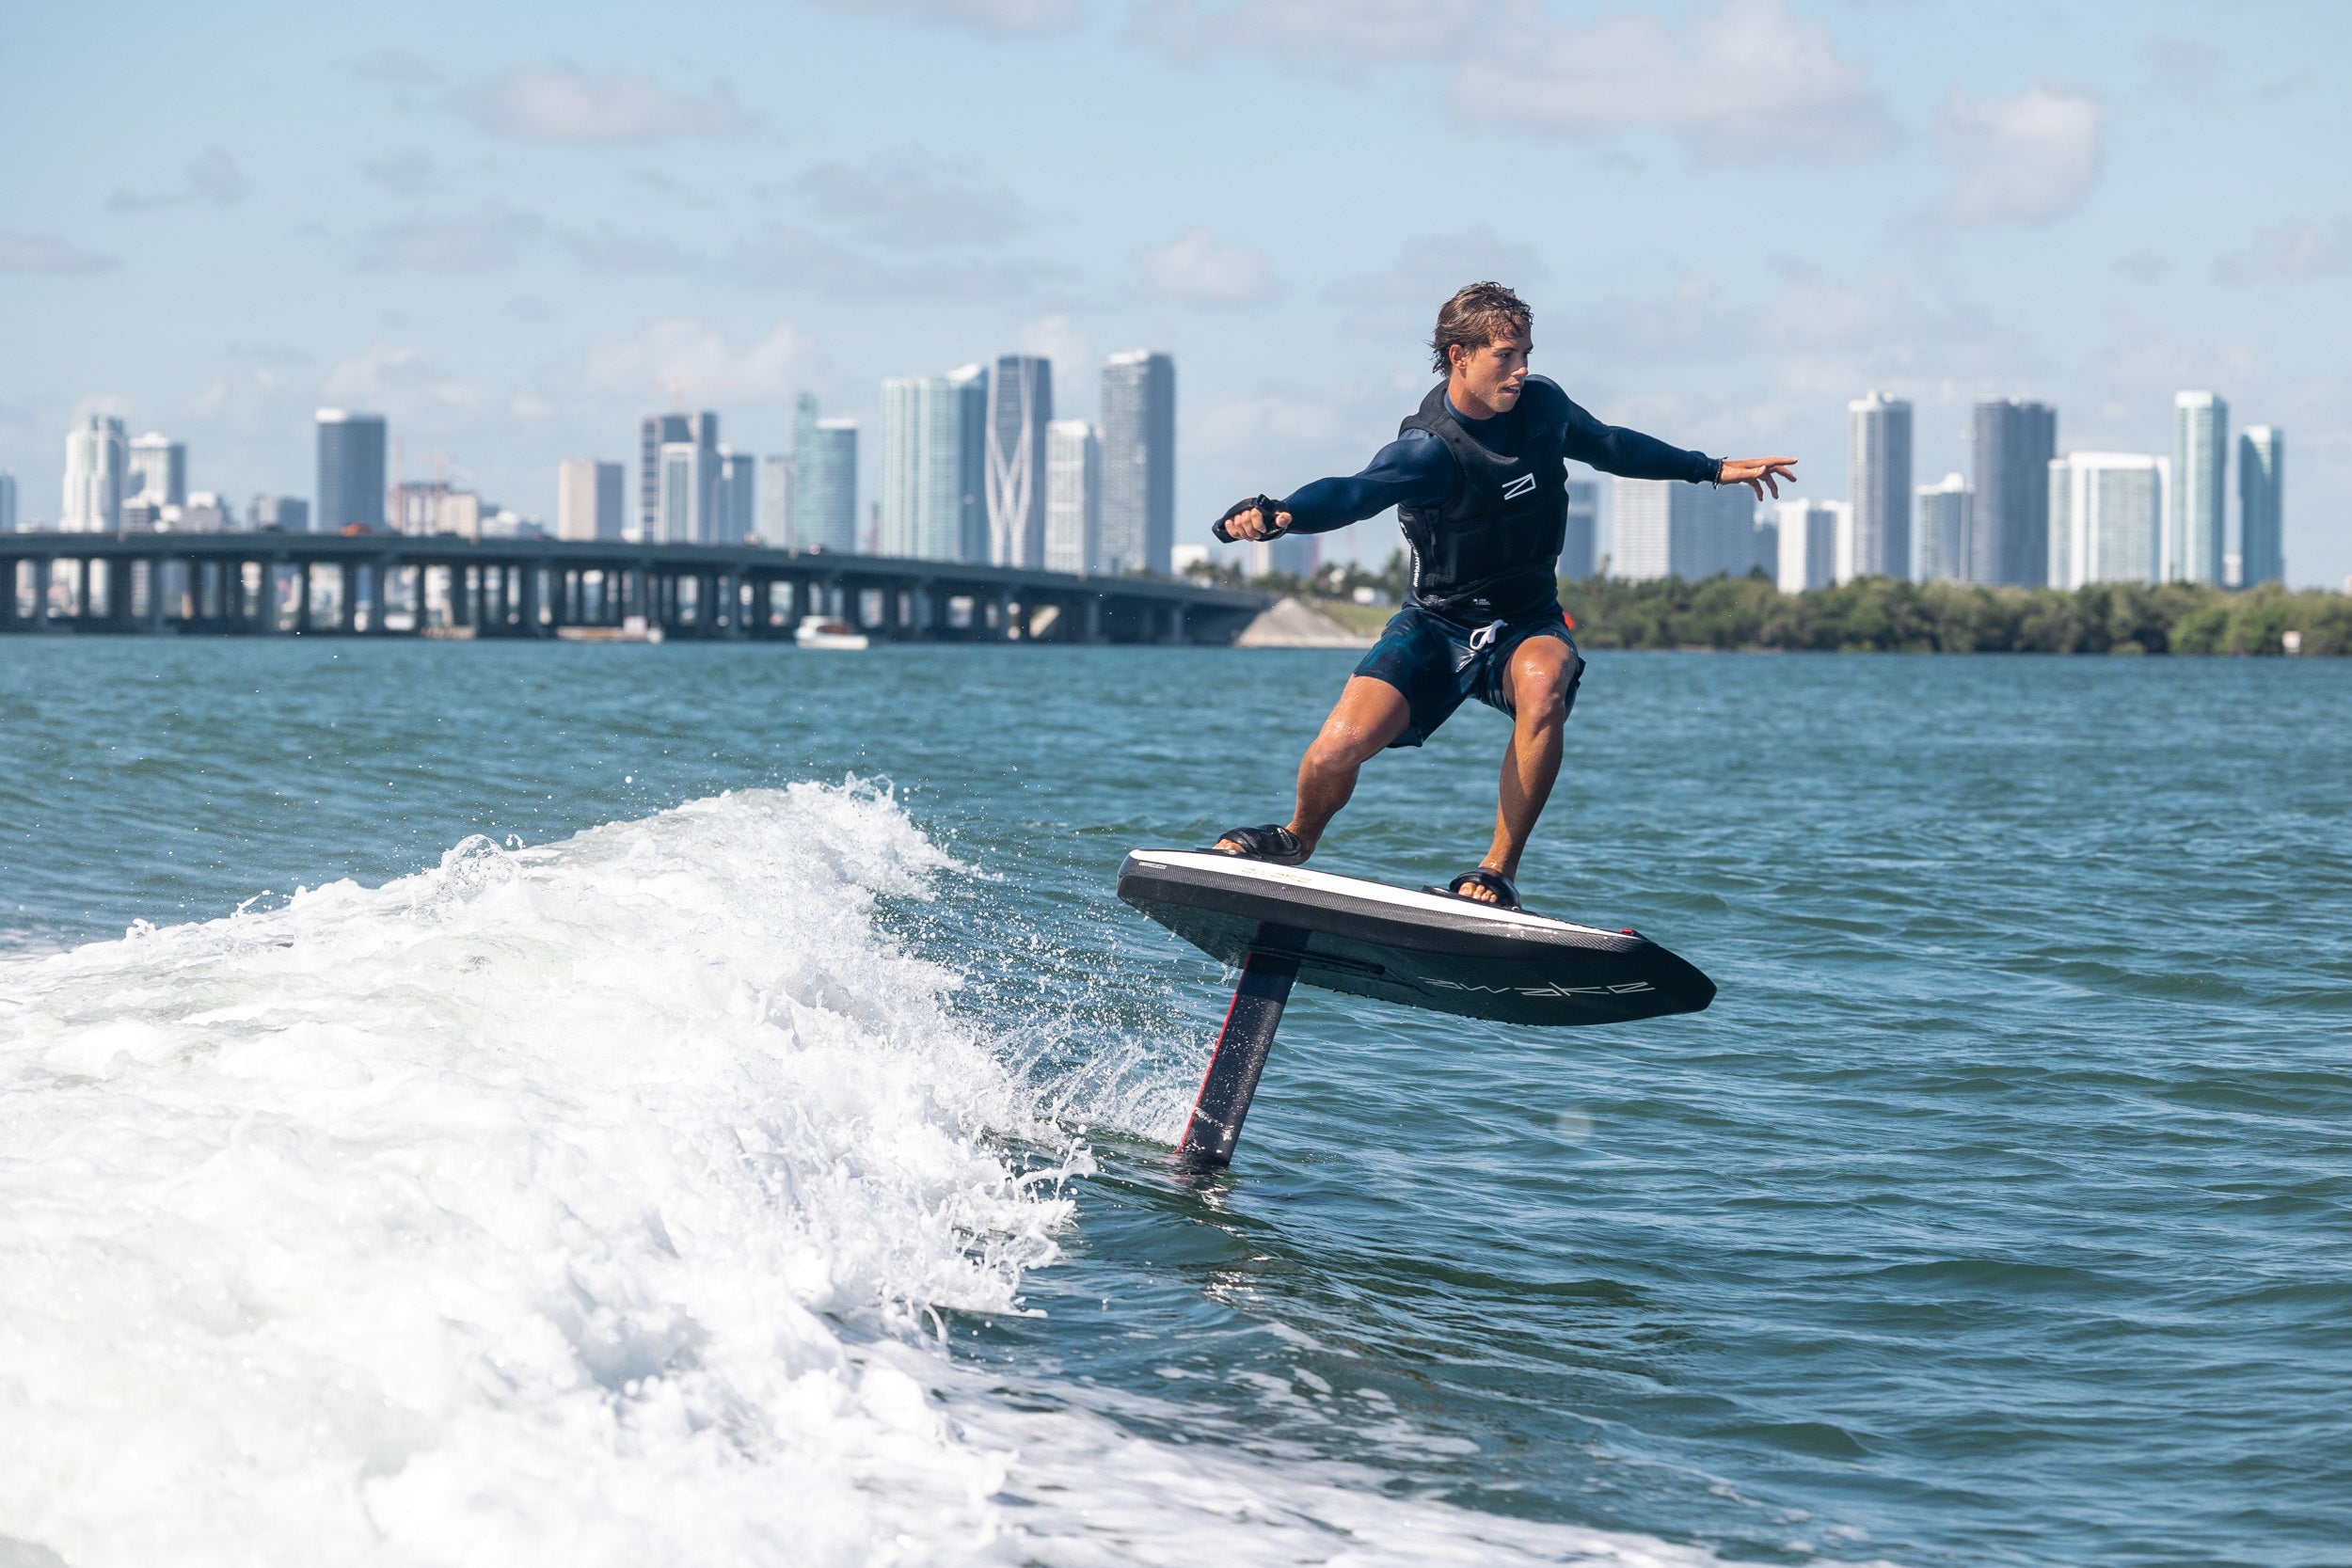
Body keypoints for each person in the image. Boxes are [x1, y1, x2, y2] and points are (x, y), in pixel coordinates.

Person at [1212, 281, 1796, 909]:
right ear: (1459, 355)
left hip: (1527, 621)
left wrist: (1709, 467)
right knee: (1335, 750)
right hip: (1434, 628)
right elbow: (1354, 492)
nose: (1521, 370)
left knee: (1545, 685)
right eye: (1505, 355)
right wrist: (1282, 513)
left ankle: (1496, 871)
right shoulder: (1428, 449)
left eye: (1526, 354)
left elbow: (1613, 446)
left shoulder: (1544, 409)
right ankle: (1297, 839)